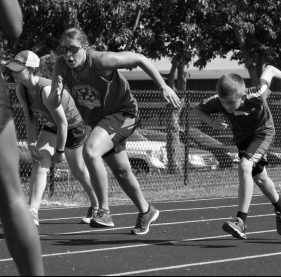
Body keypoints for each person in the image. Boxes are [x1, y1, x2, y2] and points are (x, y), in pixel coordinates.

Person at [50, 27, 181, 234]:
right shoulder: (61, 65)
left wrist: (163, 85)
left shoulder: (102, 61)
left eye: (73, 49)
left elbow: (140, 59)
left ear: (85, 48)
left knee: (91, 151)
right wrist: (56, 94)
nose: (68, 55)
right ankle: (146, 210)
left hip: (125, 114)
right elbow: (53, 102)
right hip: (100, 122)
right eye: (63, 49)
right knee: (121, 171)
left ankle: (103, 211)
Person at [193, 65, 281, 239]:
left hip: (263, 133)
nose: (226, 107)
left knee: (245, 166)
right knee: (260, 177)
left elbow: (270, 69)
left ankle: (241, 222)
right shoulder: (218, 101)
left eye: (230, 103)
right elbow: (197, 109)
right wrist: (211, 123)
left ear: (243, 96)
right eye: (222, 102)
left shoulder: (257, 93)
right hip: (243, 138)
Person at [5, 50, 99, 226]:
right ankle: (32, 211)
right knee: (39, 160)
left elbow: (63, 123)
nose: (13, 72)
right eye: (12, 68)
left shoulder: (46, 90)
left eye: (18, 69)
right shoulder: (21, 90)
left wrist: (59, 151)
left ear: (32, 69)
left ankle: (97, 205)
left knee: (77, 170)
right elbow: (29, 117)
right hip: (52, 125)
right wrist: (31, 143)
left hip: (72, 126)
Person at [0, 0, 45, 275]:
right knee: (10, 197)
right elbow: (13, 26)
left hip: (63, 130)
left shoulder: (49, 88)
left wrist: (59, 144)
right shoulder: (20, 90)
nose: (15, 74)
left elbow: (65, 120)